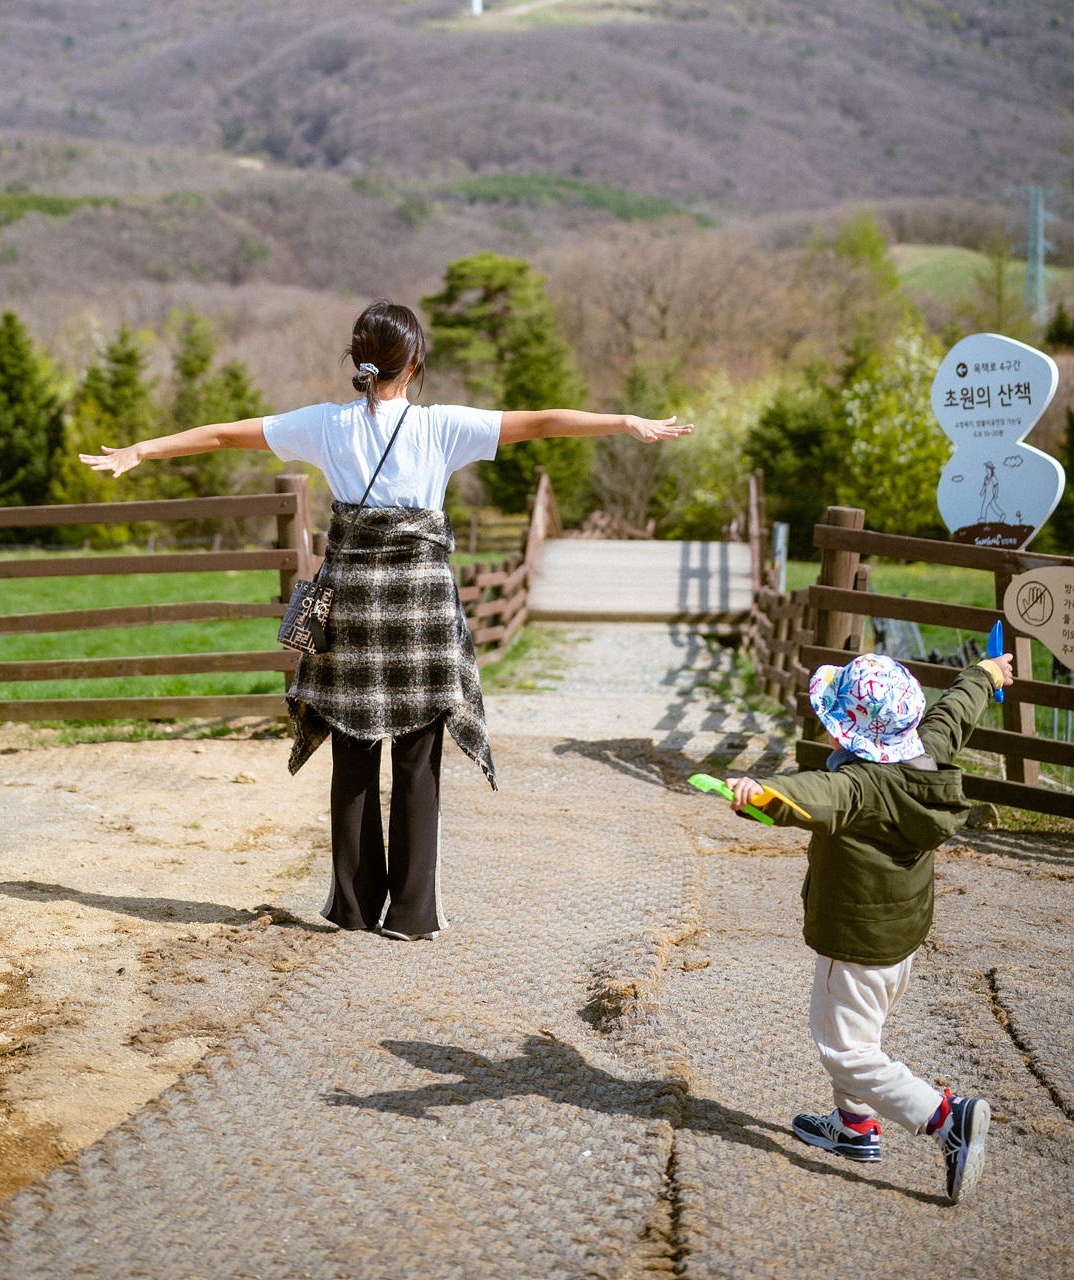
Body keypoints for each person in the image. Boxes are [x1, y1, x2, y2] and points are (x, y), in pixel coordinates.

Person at [81, 298, 690, 940]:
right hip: (420, 606)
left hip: (352, 601)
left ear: (359, 359)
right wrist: (623, 421)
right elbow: (541, 423)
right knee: (418, 759)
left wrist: (143, 450)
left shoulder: (325, 425)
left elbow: (225, 434)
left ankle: (352, 906)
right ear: (415, 364)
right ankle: (411, 915)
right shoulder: (441, 426)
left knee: (352, 749)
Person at [728, 648, 1014, 1204]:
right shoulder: (926, 754)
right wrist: (985, 674)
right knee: (859, 1035)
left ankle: (945, 1117)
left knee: (846, 1050)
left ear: (845, 729)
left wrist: (762, 794)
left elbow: (814, 794)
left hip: (856, 944)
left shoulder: (859, 786)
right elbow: (954, 711)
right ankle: (854, 1127)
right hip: (900, 938)